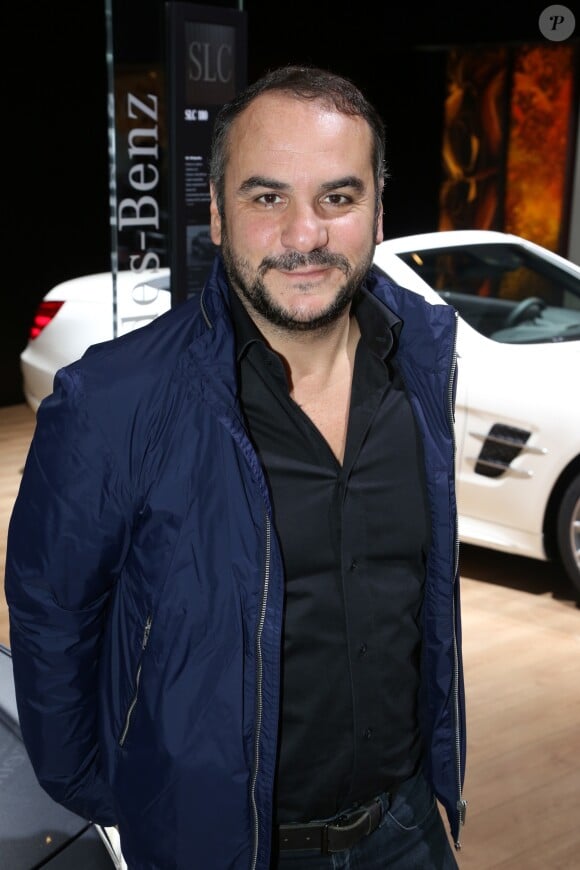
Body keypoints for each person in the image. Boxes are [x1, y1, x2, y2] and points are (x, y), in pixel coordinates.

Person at [5, 65, 466, 869]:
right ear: (216, 214)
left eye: (337, 197)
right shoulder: (112, 401)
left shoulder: (423, 360)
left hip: (405, 829)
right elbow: (51, 617)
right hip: (221, 848)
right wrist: (124, 797)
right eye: (266, 198)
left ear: (379, 212)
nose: (303, 235)